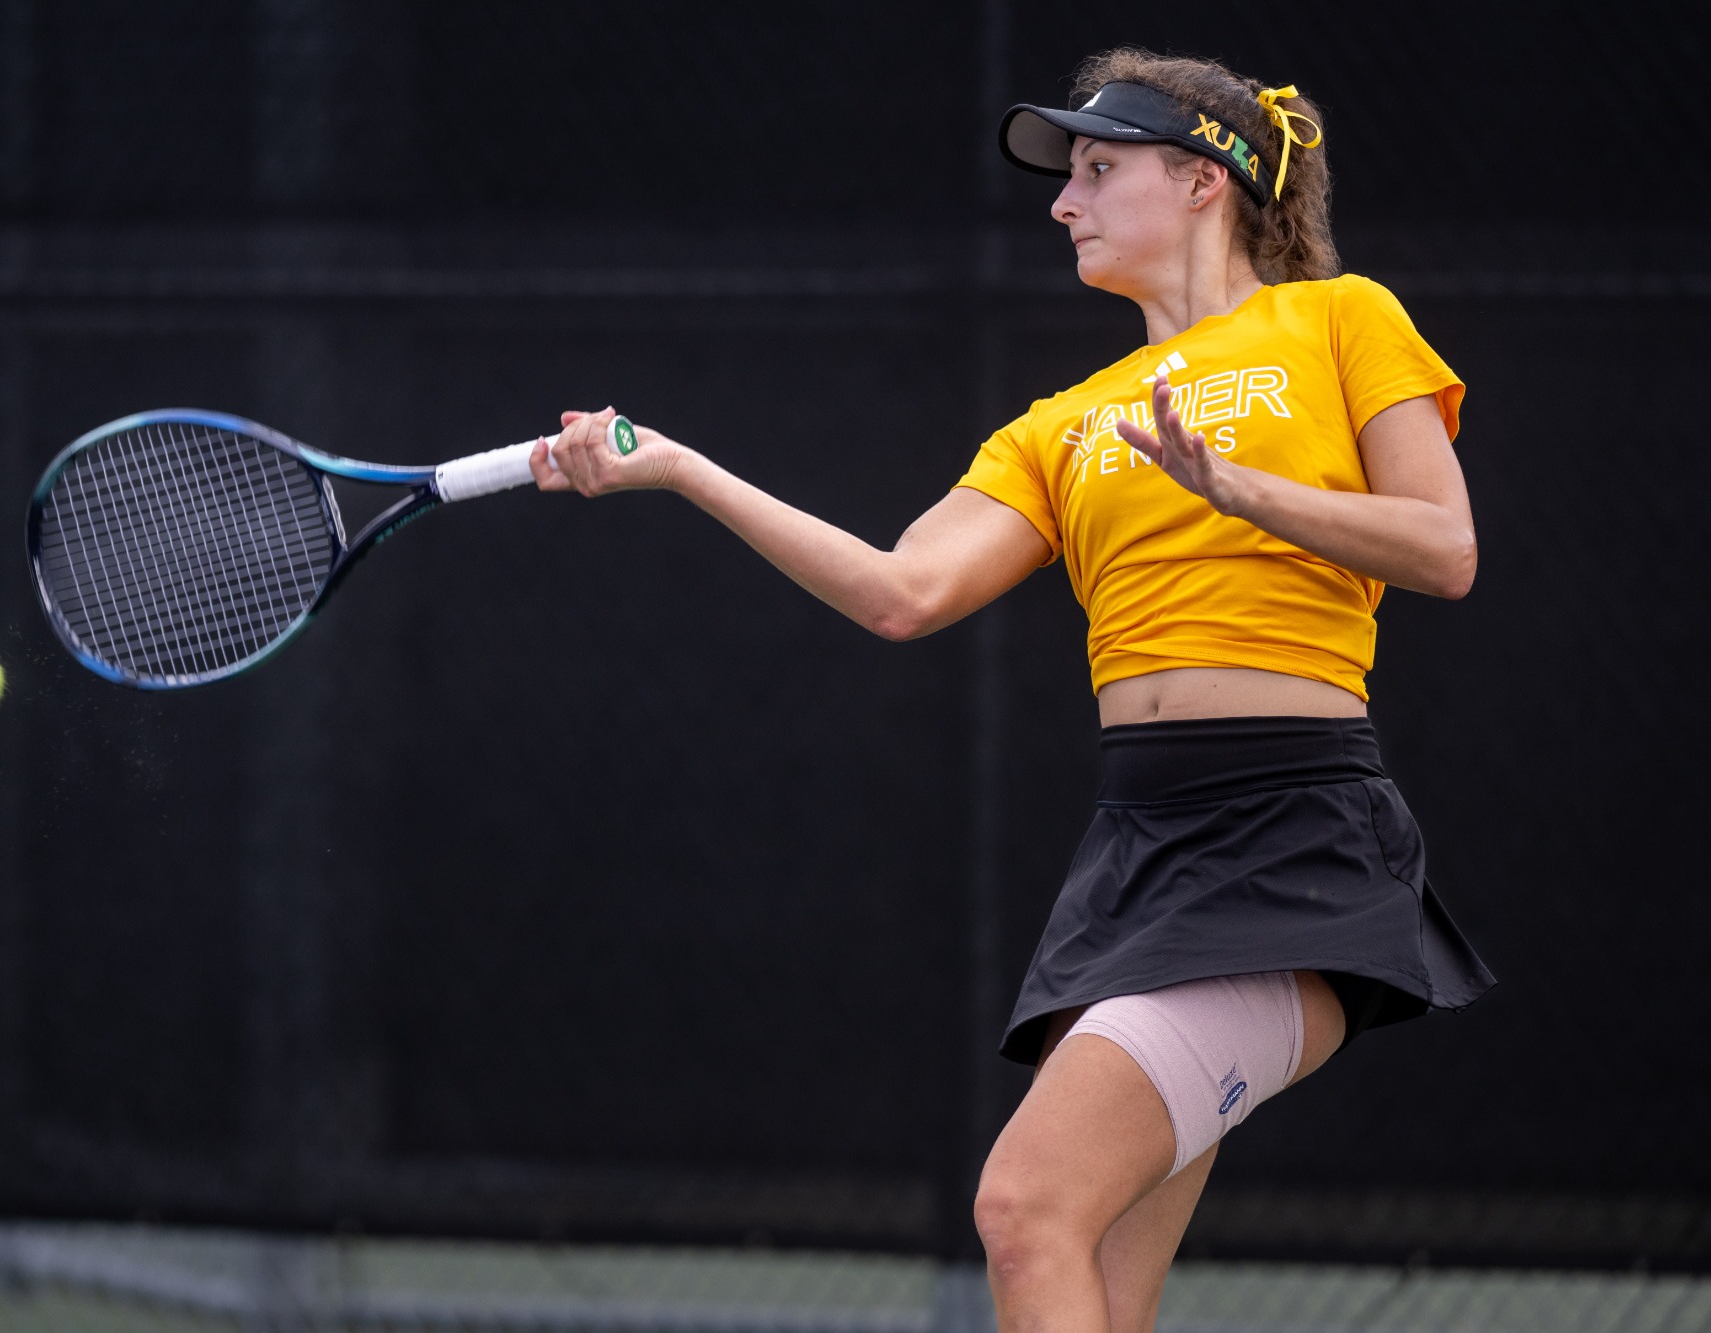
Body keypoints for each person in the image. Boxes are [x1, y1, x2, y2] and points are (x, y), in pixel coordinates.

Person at [530, 46, 1494, 1333]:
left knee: (1024, 1209)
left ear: (1202, 180)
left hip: (1293, 843)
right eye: (1066, 176)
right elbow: (900, 591)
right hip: (1138, 850)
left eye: (1096, 169)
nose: (1061, 202)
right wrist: (681, 469)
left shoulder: (1339, 319)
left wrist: (1236, 489)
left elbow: (1443, 547)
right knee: (1091, 1279)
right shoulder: (1060, 422)